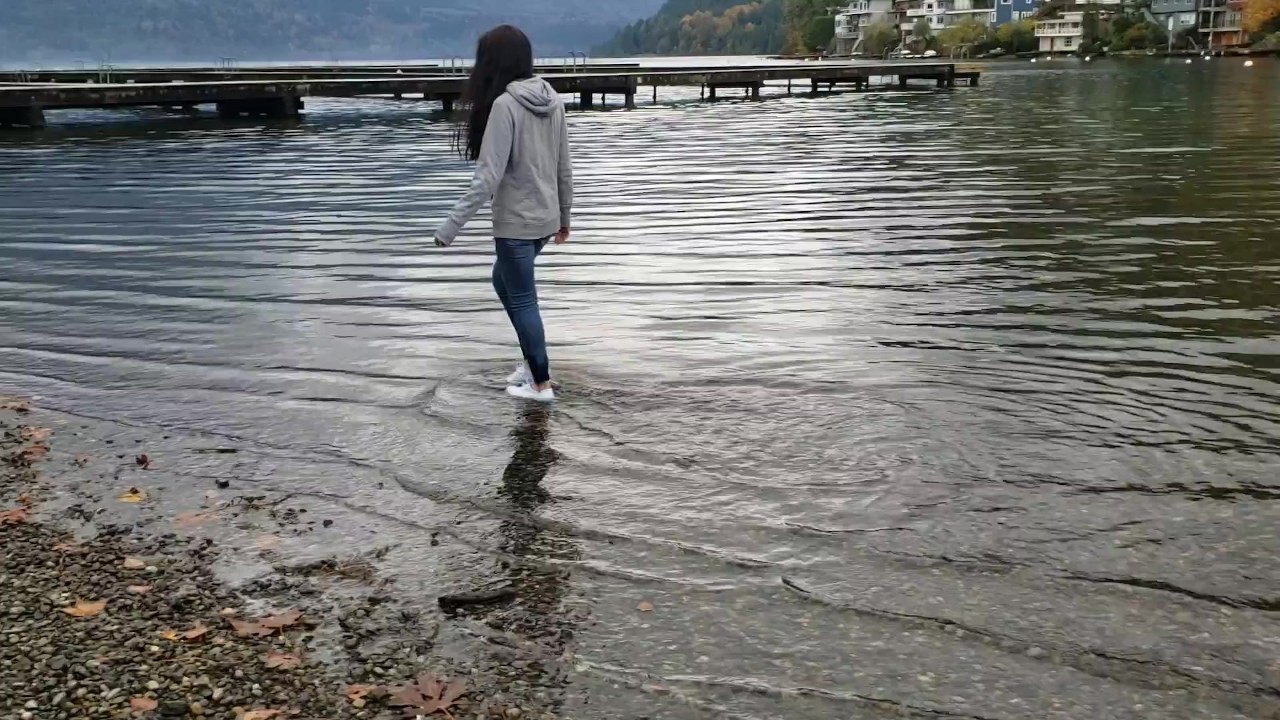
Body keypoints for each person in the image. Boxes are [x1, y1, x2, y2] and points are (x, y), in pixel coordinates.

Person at [434, 24, 572, 404]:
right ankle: (532, 363)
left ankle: (540, 383)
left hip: (515, 225)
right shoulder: (552, 99)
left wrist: (450, 226)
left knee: (524, 299)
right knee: (502, 281)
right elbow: (564, 166)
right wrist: (564, 216)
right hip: (544, 221)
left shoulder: (504, 106)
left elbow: (487, 178)